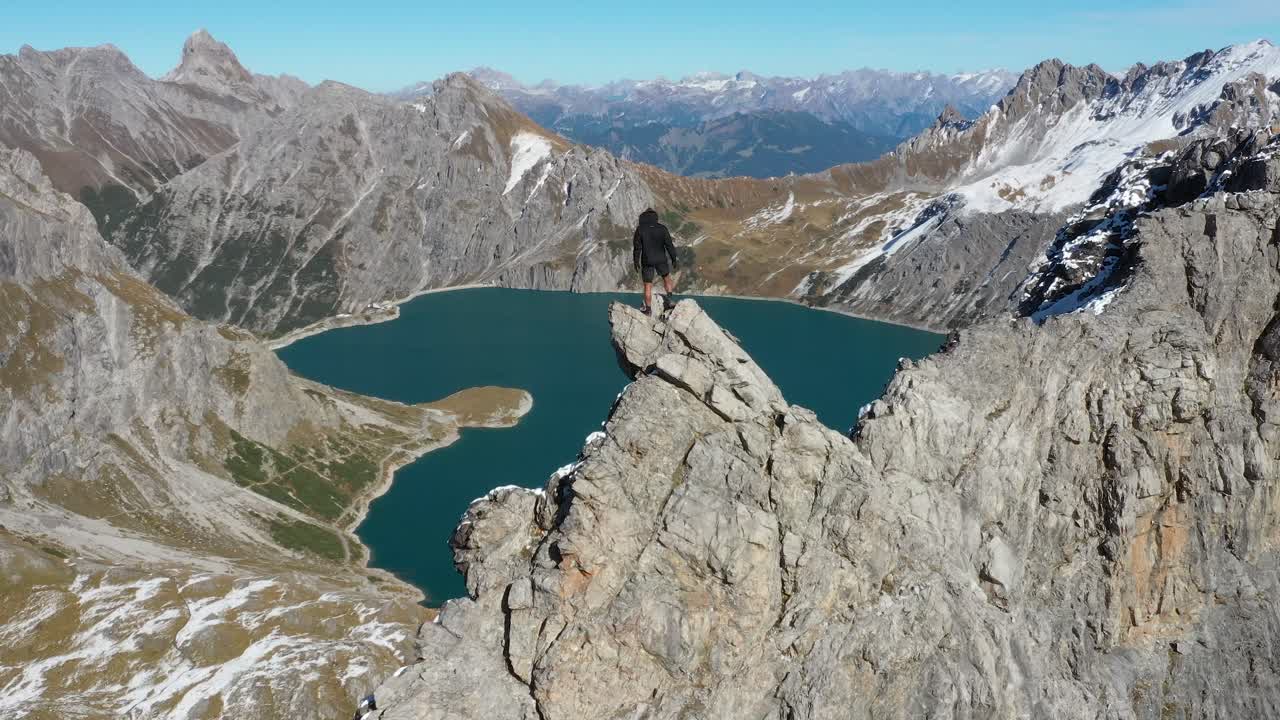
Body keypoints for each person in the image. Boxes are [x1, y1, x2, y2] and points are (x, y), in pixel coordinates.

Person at [632, 208, 678, 314]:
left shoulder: (640, 229)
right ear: (655, 217)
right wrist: (673, 258)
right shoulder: (662, 228)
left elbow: (637, 248)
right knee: (666, 278)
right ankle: (670, 300)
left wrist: (636, 261)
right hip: (661, 258)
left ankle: (648, 309)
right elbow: (669, 245)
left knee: (648, 284)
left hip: (647, 260)